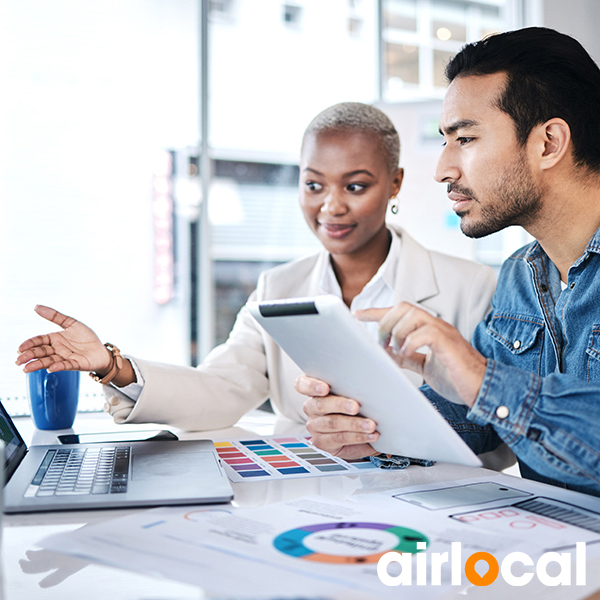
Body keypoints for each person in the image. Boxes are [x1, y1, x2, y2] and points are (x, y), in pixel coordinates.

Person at [16, 102, 495, 436]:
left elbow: (491, 433)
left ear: (394, 184)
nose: (331, 207)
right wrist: (111, 365)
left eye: (355, 187)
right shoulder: (278, 286)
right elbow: (221, 388)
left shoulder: (471, 289)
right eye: (313, 185)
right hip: (303, 500)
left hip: (426, 507)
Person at [299, 28, 600, 497]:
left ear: (548, 143)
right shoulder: (522, 275)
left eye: (465, 138)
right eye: (445, 140)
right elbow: (480, 422)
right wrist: (370, 427)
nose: (443, 169)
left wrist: (481, 380)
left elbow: (493, 396)